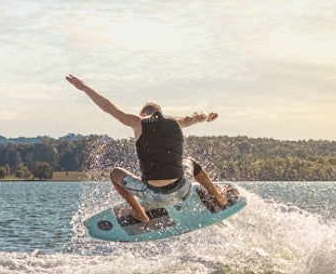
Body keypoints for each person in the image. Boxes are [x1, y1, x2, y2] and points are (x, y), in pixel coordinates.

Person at [65, 74, 228, 223]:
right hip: (183, 190)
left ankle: (140, 213)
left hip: (153, 196)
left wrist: (84, 87)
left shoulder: (139, 123)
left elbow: (109, 108)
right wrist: (208, 116)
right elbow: (197, 116)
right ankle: (219, 198)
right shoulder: (178, 122)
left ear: (144, 115)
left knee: (115, 173)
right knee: (191, 162)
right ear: (160, 112)